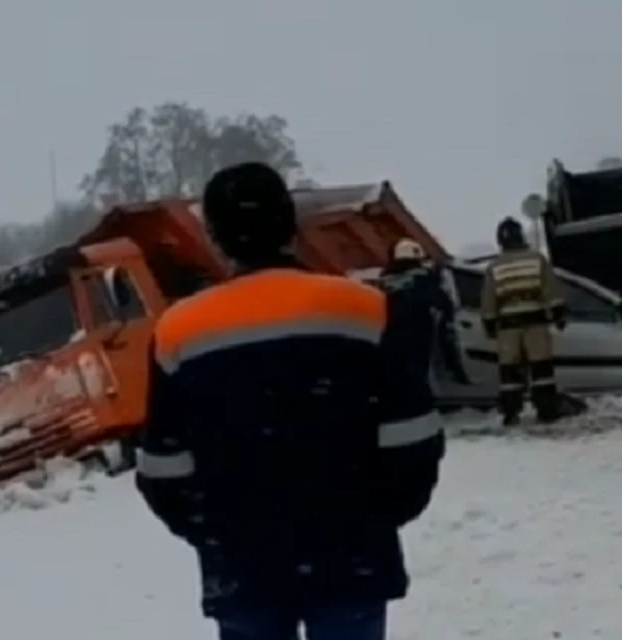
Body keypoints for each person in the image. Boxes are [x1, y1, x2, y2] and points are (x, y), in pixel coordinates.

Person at [134, 161, 445, 640]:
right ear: (290, 225)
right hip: (351, 552)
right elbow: (412, 435)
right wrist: (377, 515)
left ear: (215, 236)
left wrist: (214, 530)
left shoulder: (179, 331)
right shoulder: (366, 309)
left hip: (243, 564)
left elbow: (162, 467)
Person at [480, 216, 577, 425]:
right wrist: (558, 314)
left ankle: (511, 411)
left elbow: (488, 299)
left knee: (510, 371)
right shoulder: (536, 259)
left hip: (507, 326)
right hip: (535, 321)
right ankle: (546, 408)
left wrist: (489, 324)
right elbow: (550, 289)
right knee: (541, 368)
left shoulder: (494, 267)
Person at [376, 237, 471, 386]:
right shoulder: (422, 279)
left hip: (390, 335)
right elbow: (442, 302)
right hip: (417, 335)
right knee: (416, 377)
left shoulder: (384, 282)